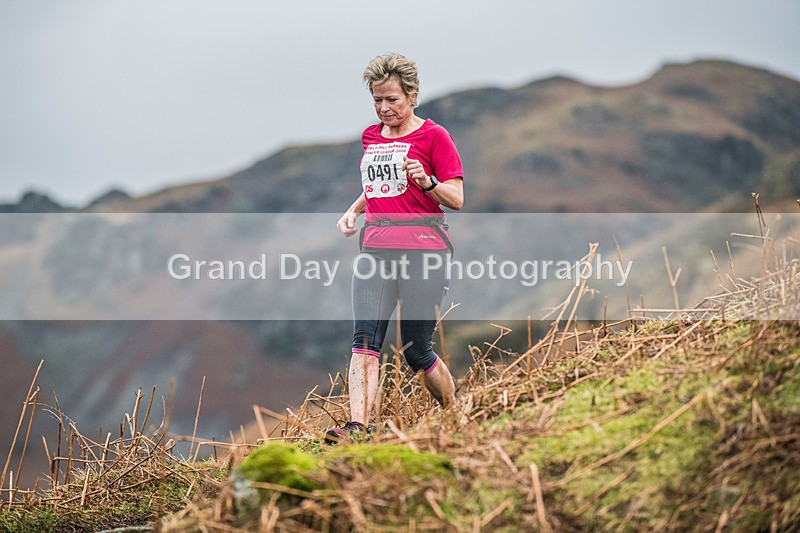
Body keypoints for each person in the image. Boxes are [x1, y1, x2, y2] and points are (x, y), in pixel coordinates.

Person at [326, 53, 464, 443]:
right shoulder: (371, 137)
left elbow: (456, 197)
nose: (384, 108)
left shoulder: (435, 137)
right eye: (377, 100)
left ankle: (456, 418)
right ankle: (357, 428)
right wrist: (352, 211)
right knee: (364, 341)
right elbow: (378, 188)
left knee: (415, 350)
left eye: (393, 100)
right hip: (375, 249)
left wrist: (428, 182)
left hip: (424, 250)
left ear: (413, 96)